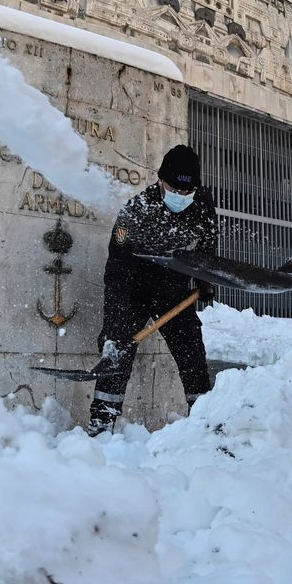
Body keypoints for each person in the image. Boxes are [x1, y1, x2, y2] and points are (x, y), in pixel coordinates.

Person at [87, 144, 218, 435]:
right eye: (175, 190)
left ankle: (206, 425)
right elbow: (117, 273)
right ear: (160, 180)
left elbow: (207, 248)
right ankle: (101, 424)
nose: (182, 197)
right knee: (118, 352)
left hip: (174, 290)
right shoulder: (136, 211)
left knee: (193, 353)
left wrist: (204, 280)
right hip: (134, 287)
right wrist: (113, 328)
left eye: (188, 192)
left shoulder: (203, 204)